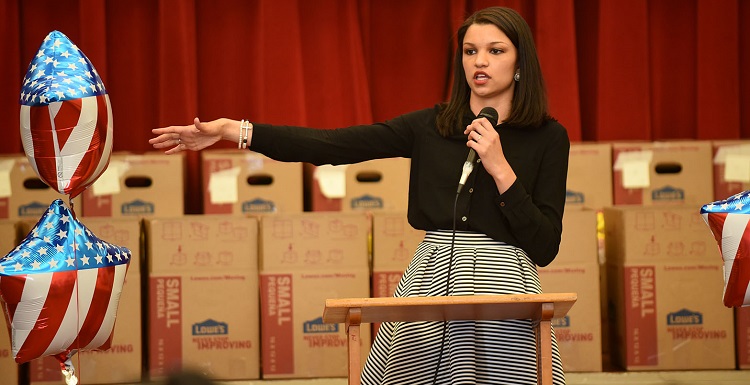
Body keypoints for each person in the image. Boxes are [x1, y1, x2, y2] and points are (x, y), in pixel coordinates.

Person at [150, 6, 568, 385]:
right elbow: (332, 145)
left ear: (519, 63)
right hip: (432, 277)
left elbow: (545, 245)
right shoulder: (432, 126)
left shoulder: (548, 138)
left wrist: (500, 168)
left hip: (506, 284)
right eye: (470, 51)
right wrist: (232, 130)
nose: (479, 61)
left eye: (495, 51)